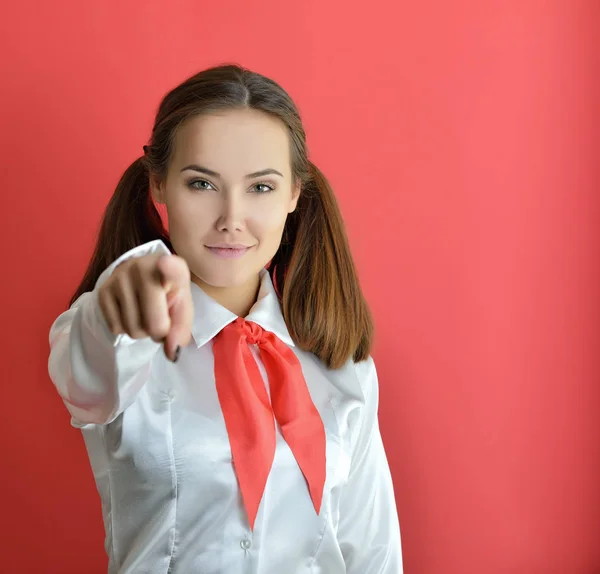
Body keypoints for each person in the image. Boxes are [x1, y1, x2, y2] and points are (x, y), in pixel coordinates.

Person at [48, 64, 403, 574]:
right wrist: (116, 301)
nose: (231, 217)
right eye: (201, 183)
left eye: (260, 188)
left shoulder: (341, 365)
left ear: (294, 195)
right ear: (159, 186)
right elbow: (84, 364)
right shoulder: (123, 342)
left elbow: (372, 552)